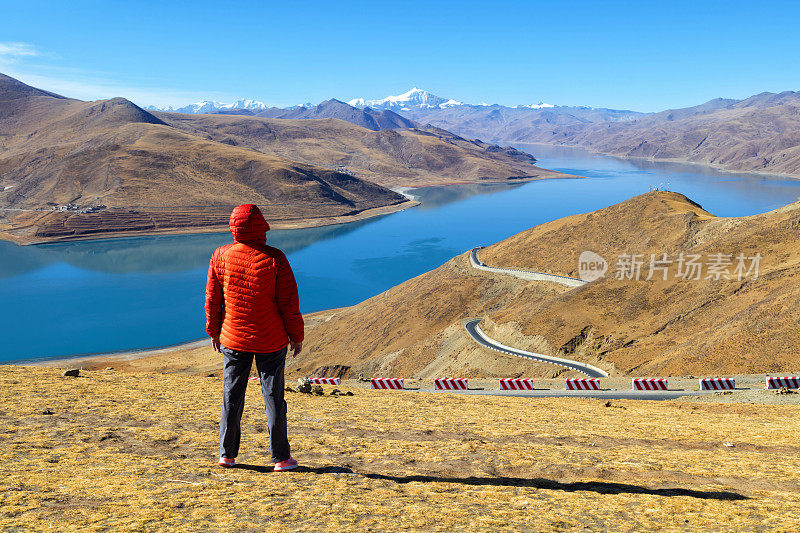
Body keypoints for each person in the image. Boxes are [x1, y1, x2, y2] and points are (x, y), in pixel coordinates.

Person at [205, 204, 304, 471]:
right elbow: (288, 303)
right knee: (273, 397)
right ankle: (281, 458)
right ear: (262, 226)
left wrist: (213, 331)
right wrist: (296, 336)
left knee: (231, 395)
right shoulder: (276, 258)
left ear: (233, 226)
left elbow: (214, 300)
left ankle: (227, 454)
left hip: (233, 339)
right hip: (270, 340)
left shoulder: (220, 256)